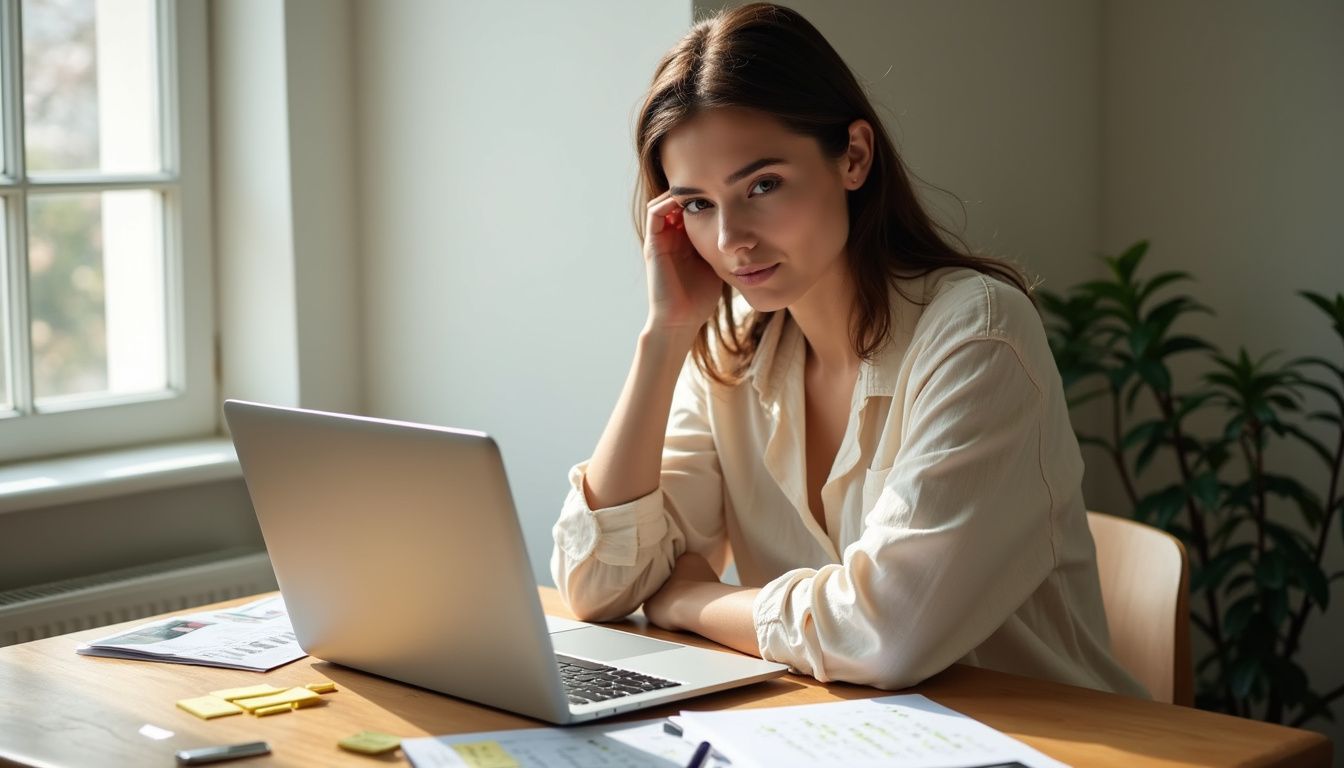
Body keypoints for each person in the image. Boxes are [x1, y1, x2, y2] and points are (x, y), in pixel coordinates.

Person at [549, 2, 1147, 698]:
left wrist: (687, 599)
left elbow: (883, 634)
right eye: (699, 205)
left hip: (1053, 742)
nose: (732, 239)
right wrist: (665, 337)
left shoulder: (978, 336)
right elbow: (599, 583)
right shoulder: (732, 353)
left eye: (762, 185)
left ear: (854, 157)